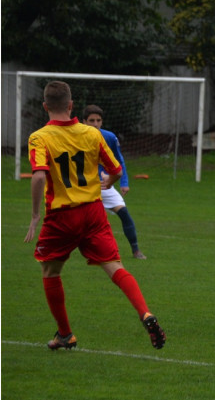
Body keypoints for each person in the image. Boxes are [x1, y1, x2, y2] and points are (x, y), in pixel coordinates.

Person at [24, 81, 165, 350]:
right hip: (93, 212)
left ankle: (65, 334)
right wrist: (108, 183)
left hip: (61, 215)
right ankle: (145, 313)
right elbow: (116, 169)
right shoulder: (91, 133)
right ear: (71, 105)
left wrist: (34, 215)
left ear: (45, 107)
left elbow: (39, 175)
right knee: (114, 266)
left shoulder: (39, 137)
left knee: (50, 271)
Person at [82, 104, 147, 259]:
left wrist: (124, 182)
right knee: (77, 220)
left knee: (124, 213)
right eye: (92, 120)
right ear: (84, 121)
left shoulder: (109, 137)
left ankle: (136, 250)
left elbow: (119, 161)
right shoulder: (75, 137)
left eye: (98, 120)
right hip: (82, 186)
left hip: (104, 184)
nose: (95, 124)